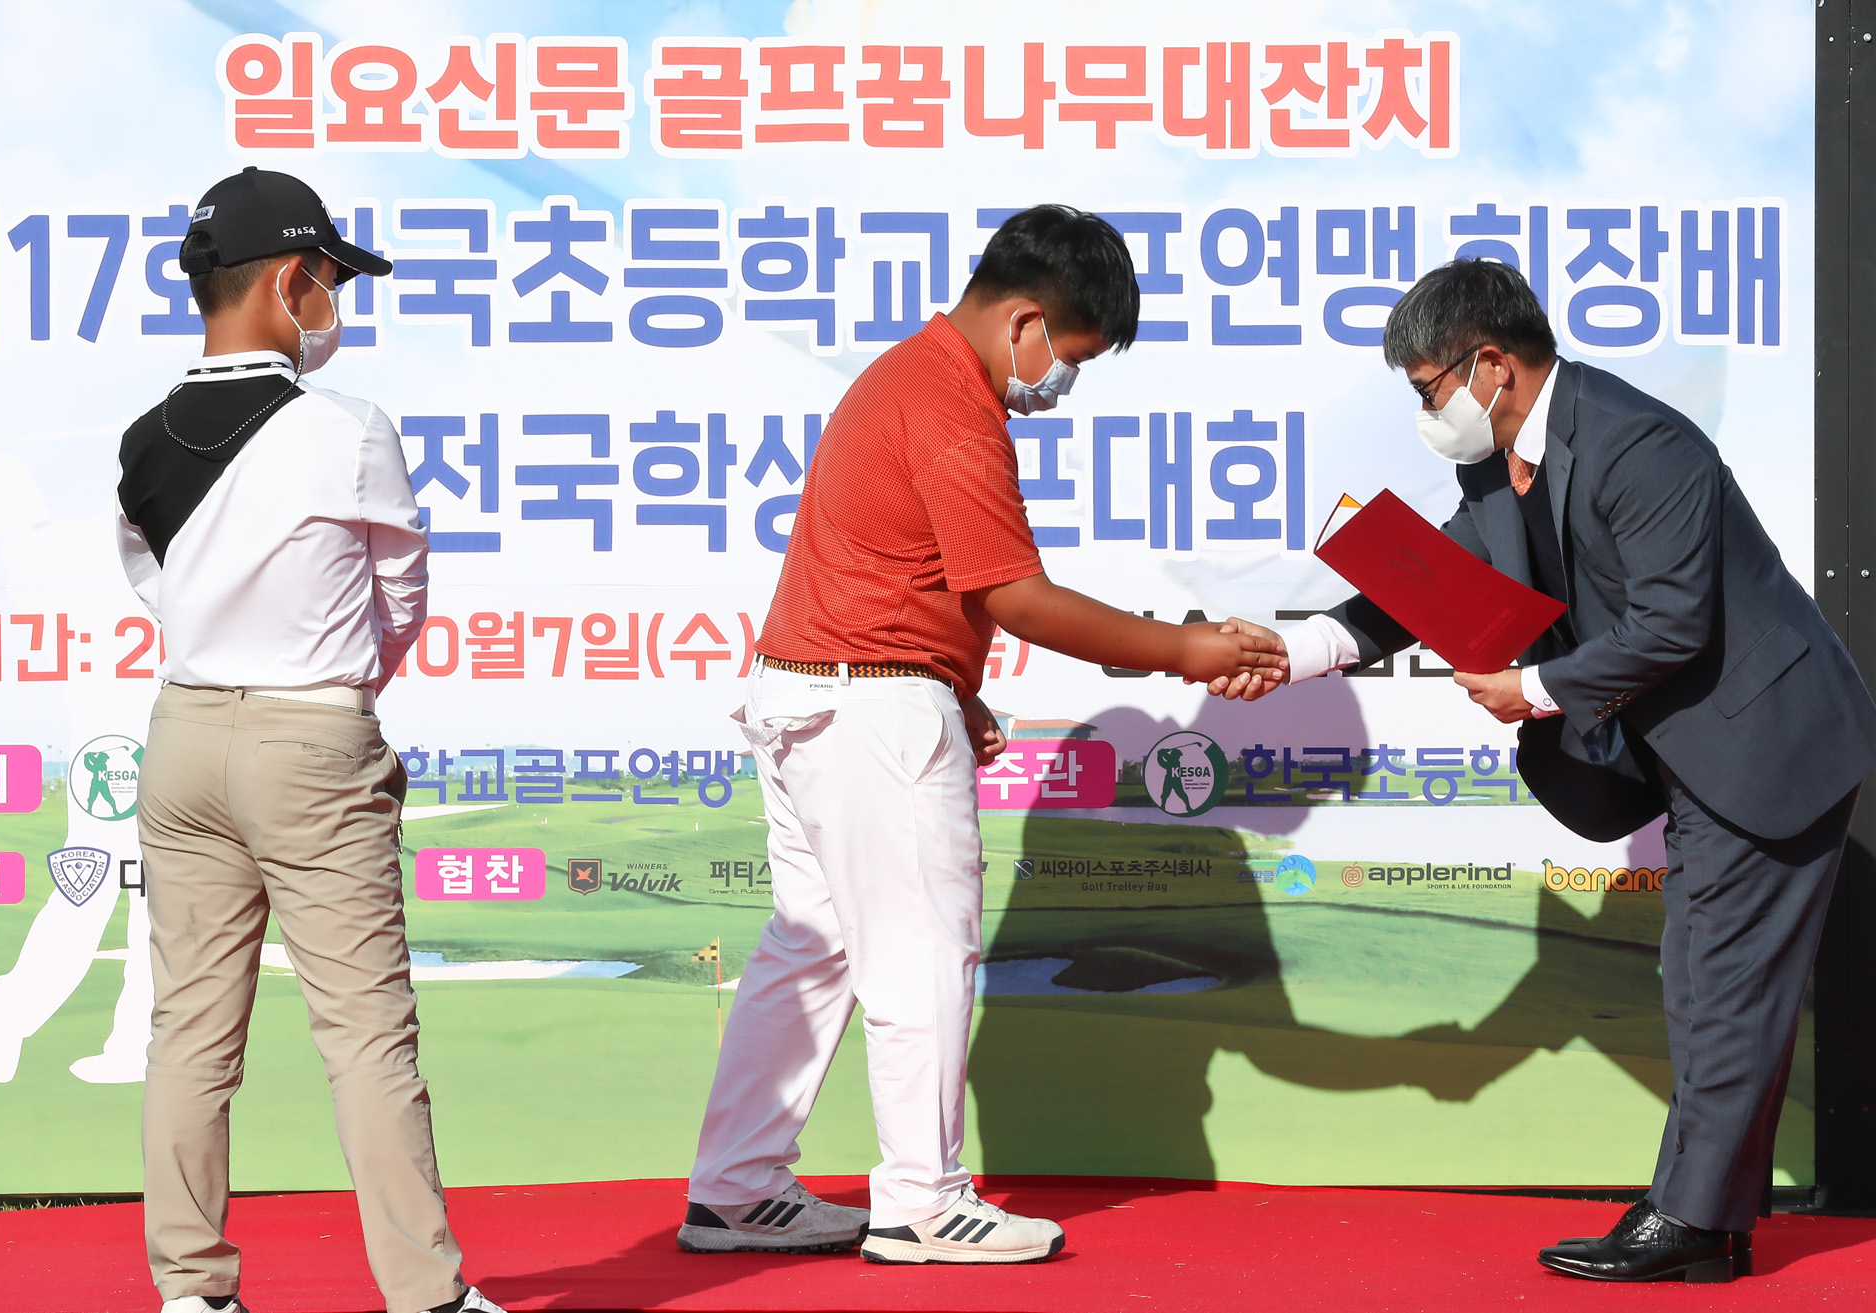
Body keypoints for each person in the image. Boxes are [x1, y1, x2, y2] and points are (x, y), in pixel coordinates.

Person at [1220, 257, 1876, 1284]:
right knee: (1706, 978)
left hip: (1768, 739)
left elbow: (1670, 622)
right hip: (1691, 751)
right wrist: (1294, 652)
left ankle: (1692, 1220)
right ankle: (1705, 1216)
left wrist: (1527, 687)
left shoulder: (1638, 442)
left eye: (1425, 387)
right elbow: (1429, 582)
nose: (1424, 411)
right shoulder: (1496, 460)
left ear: (1489, 364)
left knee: (1719, 983)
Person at [676, 204, 1287, 1265]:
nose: (1060, 383)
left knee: (810, 950)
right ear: (1023, 322)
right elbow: (1016, 597)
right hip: (866, 709)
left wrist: (954, 689)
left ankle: (735, 1187)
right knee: (917, 949)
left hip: (811, 692)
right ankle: (921, 1197)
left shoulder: (900, 377)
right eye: (1070, 357)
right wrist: (1185, 651)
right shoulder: (952, 408)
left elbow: (907, 572)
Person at [115, 167, 500, 1313]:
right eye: (329, 278)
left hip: (182, 732)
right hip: (310, 740)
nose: (335, 299)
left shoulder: (143, 436)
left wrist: (228, 638)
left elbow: (147, 575)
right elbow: (402, 591)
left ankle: (191, 1290)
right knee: (367, 1033)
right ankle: (425, 1294)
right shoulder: (348, 428)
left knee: (188, 1027)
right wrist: (334, 681)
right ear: (289, 279)